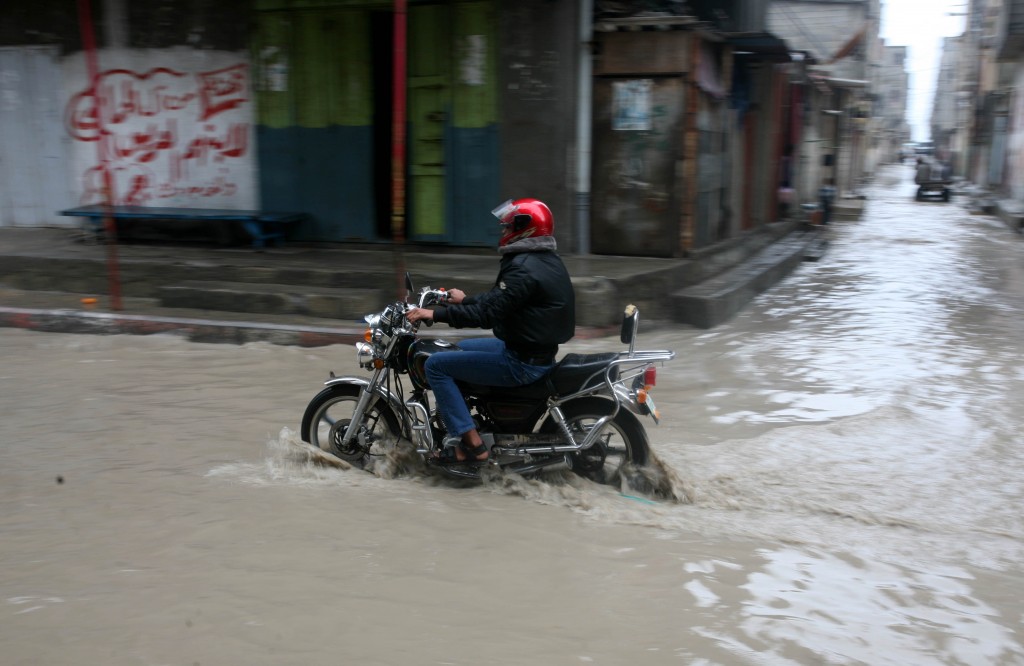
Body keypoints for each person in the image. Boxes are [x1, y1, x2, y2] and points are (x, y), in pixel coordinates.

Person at [405, 198, 576, 464]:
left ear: (525, 229)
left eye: (507, 227)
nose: (503, 231)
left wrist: (434, 314)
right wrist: (466, 300)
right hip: (528, 349)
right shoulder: (541, 260)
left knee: (436, 365)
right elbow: (500, 301)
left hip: (521, 361)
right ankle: (471, 420)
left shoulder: (522, 268)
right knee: (460, 348)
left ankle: (472, 444)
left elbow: (487, 315)